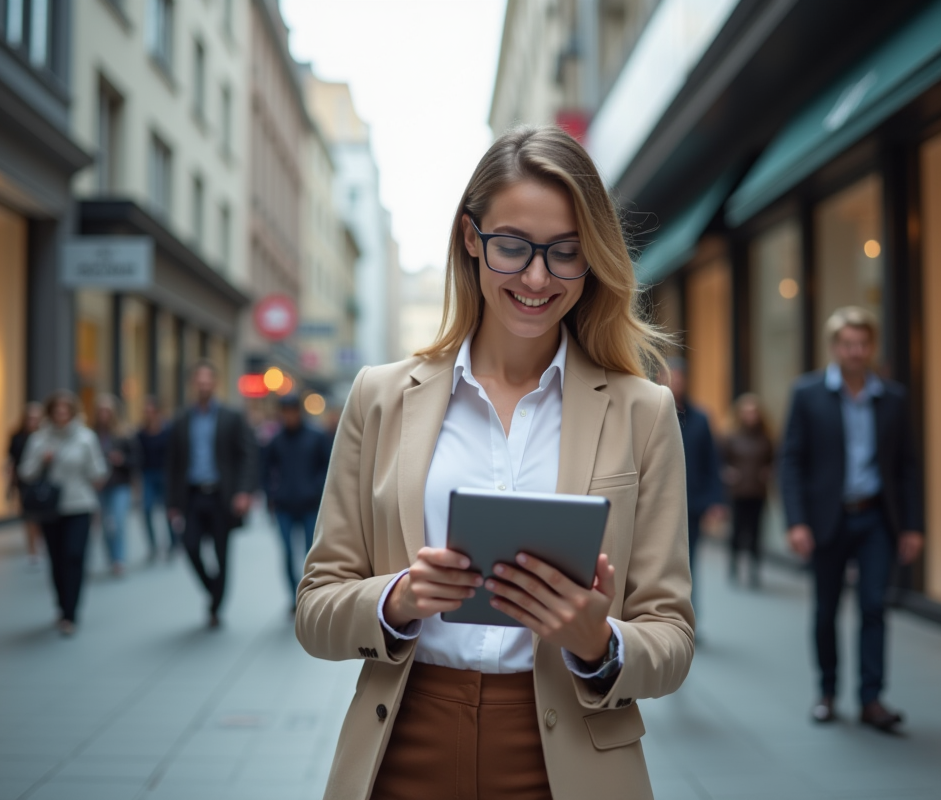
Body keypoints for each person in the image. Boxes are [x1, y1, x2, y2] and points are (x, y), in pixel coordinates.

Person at [295, 126, 694, 800]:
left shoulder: (642, 411)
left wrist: (598, 641)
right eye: (513, 246)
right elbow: (316, 607)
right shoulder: (380, 397)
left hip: (567, 762)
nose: (538, 278)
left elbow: (673, 636)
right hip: (404, 747)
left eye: (565, 253)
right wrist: (400, 600)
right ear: (471, 238)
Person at [779, 306, 924, 733]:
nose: (855, 351)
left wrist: (913, 525)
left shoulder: (893, 398)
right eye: (847, 344)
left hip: (877, 518)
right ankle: (826, 692)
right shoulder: (807, 394)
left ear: (871, 347)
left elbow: (908, 467)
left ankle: (872, 699)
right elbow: (791, 462)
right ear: (835, 348)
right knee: (826, 611)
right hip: (828, 520)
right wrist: (796, 521)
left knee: (875, 606)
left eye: (862, 344)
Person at [166, 360, 258, 628]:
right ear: (193, 384)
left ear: (215, 384)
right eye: (199, 380)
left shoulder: (231, 417)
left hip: (222, 496)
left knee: (221, 553)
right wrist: (172, 503)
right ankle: (213, 589)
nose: (204, 385)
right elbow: (172, 463)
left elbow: (248, 456)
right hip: (193, 496)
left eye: (208, 380)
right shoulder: (182, 419)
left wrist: (243, 491)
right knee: (190, 546)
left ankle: (216, 607)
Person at [19, 391, 108, 636]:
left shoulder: (85, 437)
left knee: (74, 556)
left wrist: (98, 478)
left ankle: (71, 612)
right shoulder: (39, 439)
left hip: (80, 506)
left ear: (72, 412)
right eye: (56, 410)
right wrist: (42, 461)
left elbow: (98, 471)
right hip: (51, 509)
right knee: (57, 560)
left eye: (65, 410)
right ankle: (61, 604)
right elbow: (25, 472)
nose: (61, 414)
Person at [657, 357, 726, 615]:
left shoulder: (700, 418)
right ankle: (661, 614)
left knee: (689, 563)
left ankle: (687, 616)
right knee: (659, 563)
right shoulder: (650, 414)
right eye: (670, 377)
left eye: (679, 377)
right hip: (657, 505)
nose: (675, 382)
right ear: (658, 379)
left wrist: (716, 501)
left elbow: (712, 461)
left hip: (691, 505)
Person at [263, 394, 332, 613]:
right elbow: (264, 470)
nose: (289, 416)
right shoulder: (276, 440)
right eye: (285, 412)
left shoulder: (316, 437)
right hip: (284, 506)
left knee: (310, 554)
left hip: (310, 505)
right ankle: (294, 596)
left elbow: (328, 467)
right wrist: (271, 495)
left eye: (292, 411)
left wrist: (316, 489)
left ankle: (309, 595)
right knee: (287, 553)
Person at [721, 393, 774, 587]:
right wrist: (727, 473)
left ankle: (754, 570)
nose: (750, 416)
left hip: (758, 492)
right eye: (747, 412)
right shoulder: (731, 437)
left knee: (756, 532)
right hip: (737, 492)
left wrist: (769, 472)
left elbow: (774, 460)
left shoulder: (766, 438)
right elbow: (720, 461)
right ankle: (734, 564)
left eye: (754, 412)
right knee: (736, 531)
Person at [92, 394, 138, 577]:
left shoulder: (125, 433)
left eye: (107, 411)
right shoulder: (92, 435)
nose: (104, 415)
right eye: (101, 411)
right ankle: (112, 559)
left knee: (118, 522)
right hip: (100, 486)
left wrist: (122, 460)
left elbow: (136, 459)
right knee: (105, 525)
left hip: (120, 485)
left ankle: (119, 560)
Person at [136, 397, 177, 560]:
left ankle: (174, 543)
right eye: (146, 412)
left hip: (165, 474)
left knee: (169, 511)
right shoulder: (141, 433)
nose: (149, 415)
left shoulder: (168, 430)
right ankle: (153, 546)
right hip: (148, 475)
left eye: (151, 411)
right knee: (146, 510)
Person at [8, 402, 45, 565]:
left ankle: (41, 543)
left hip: (43, 482)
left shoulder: (45, 437)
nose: (32, 421)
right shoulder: (17, 437)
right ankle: (32, 550)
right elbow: (11, 459)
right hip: (24, 482)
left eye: (36, 418)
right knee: (29, 516)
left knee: (43, 516)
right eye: (30, 417)